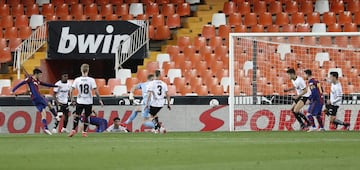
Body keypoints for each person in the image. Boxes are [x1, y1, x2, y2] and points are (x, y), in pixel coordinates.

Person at [12, 68, 58, 135]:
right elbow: (21, 83)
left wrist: (55, 85)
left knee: (43, 113)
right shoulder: (30, 79)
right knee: (48, 102)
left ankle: (46, 128)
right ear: (36, 74)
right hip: (37, 97)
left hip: (34, 99)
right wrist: (13, 90)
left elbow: (46, 84)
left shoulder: (37, 81)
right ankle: (56, 116)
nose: (40, 76)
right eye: (39, 75)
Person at [69, 64, 104, 137]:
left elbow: (71, 90)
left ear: (81, 70)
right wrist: (100, 99)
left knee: (77, 116)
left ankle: (73, 130)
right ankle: (84, 132)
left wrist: (72, 99)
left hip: (80, 101)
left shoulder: (77, 80)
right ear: (88, 70)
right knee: (87, 117)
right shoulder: (91, 80)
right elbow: (95, 91)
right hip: (88, 101)